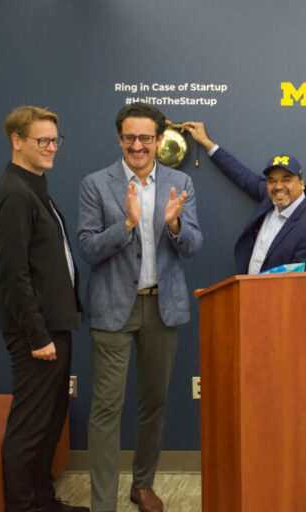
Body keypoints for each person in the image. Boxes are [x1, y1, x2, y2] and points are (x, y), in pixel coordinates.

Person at [78, 102, 203, 512]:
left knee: (154, 403)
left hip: (162, 309)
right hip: (112, 309)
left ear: (157, 140)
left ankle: (143, 484)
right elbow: (88, 249)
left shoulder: (180, 180)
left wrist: (174, 225)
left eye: (145, 138)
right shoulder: (95, 184)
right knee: (106, 410)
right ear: (120, 139)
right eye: (129, 137)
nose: (137, 145)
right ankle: (102, 504)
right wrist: (127, 225)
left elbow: (194, 245)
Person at [0, 106, 88, 512]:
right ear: (17, 141)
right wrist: (38, 335)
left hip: (53, 324)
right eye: (42, 140)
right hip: (37, 332)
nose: (51, 148)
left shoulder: (34, 187)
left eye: (54, 140)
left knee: (49, 421)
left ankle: (44, 500)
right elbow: (12, 275)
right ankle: (23, 506)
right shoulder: (13, 194)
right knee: (30, 426)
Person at [183, 121, 306, 274]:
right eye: (272, 180)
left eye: (286, 179)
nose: (278, 186)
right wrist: (206, 142)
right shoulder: (271, 197)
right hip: (248, 290)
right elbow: (241, 175)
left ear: (301, 183)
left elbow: (305, 286)